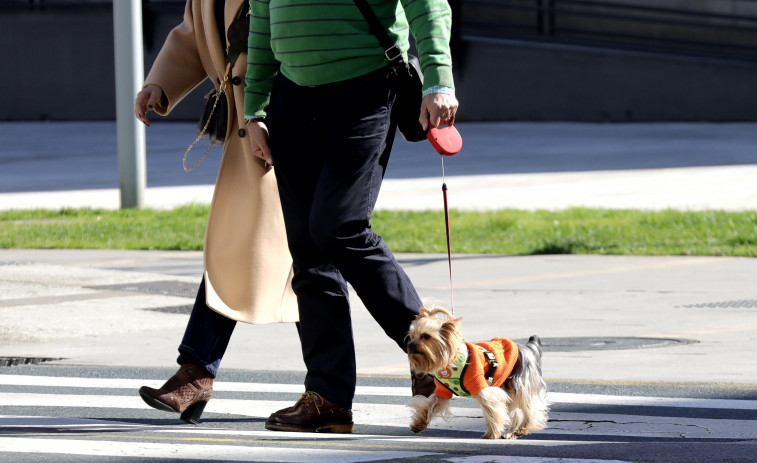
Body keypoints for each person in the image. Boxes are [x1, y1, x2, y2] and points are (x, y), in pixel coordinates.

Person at [244, 0, 459, 433]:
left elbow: (428, 5)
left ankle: (430, 346)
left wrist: (439, 80)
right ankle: (328, 398)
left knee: (338, 226)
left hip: (364, 88)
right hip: (290, 97)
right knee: (307, 245)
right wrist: (255, 109)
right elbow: (263, 23)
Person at [133, 0, 298, 424]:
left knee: (324, 248)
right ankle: (197, 372)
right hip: (250, 128)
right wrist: (160, 84)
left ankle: (425, 350)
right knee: (257, 247)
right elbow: (193, 34)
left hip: (289, 118)